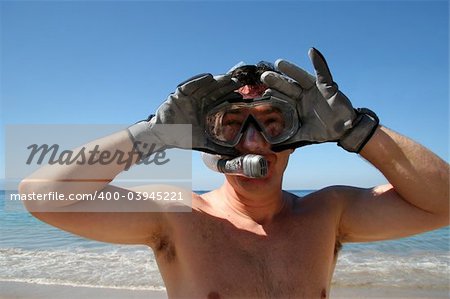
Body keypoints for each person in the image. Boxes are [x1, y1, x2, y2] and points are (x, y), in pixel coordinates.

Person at [19, 48, 449, 298]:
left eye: (272, 123)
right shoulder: (178, 214)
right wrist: (153, 133)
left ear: (301, 136)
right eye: (230, 125)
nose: (253, 142)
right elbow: (41, 196)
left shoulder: (328, 213)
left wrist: (357, 130)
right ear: (206, 142)